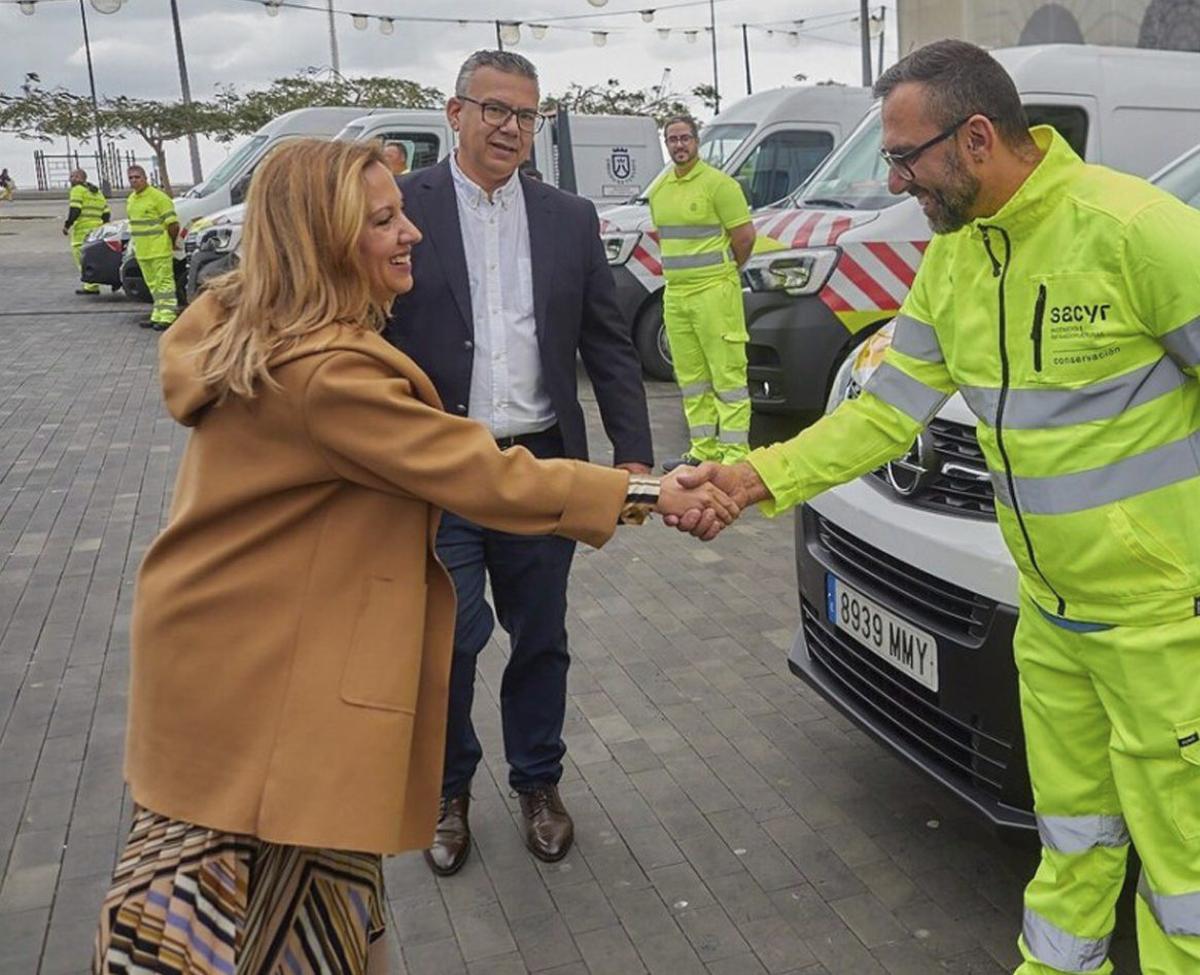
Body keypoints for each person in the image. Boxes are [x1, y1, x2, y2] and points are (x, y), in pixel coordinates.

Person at [91, 138, 736, 975]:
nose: (414, 235)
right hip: (254, 691)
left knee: (299, 902)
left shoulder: (261, 321)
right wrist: (647, 493)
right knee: (215, 930)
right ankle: (452, 796)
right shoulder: (325, 372)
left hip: (234, 664)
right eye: (385, 219)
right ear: (324, 239)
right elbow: (479, 472)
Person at [677, 39, 1200, 975]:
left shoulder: (1136, 231)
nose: (894, 178)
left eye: (905, 156)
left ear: (976, 138)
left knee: (1184, 880)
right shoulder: (956, 260)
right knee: (1072, 847)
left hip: (1165, 630)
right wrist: (754, 477)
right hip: (1050, 621)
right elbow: (885, 414)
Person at [386, 49, 655, 876]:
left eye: (525, 115)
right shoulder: (402, 208)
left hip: (542, 465)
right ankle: (448, 790)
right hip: (444, 465)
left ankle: (538, 780)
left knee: (541, 635)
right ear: (454, 111)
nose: (510, 128)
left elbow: (608, 346)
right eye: (494, 109)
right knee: (452, 638)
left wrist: (635, 464)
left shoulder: (570, 217)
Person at [649, 115, 757, 472]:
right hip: (676, 295)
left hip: (714, 292)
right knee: (692, 378)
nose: (679, 145)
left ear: (697, 141)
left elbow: (744, 238)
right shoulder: (661, 189)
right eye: (672, 140)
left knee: (728, 377)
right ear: (666, 144)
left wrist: (724, 273)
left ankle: (735, 456)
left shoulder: (719, 185)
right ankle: (702, 450)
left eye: (685, 138)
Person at [125, 164, 179, 331]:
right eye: (131, 178)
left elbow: (173, 224)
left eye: (137, 177)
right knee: (153, 285)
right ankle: (158, 315)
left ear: (145, 178)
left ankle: (168, 316)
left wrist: (171, 242)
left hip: (159, 249)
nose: (134, 180)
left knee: (164, 284)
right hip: (143, 251)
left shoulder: (159, 197)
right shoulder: (131, 199)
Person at [62, 168, 110, 295]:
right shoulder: (97, 192)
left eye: (73, 176)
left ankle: (91, 285)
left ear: (80, 178)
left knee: (81, 257)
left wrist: (67, 225)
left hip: (82, 230)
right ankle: (94, 283)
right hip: (97, 229)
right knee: (94, 256)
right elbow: (106, 212)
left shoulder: (77, 190)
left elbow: (75, 210)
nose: (70, 179)